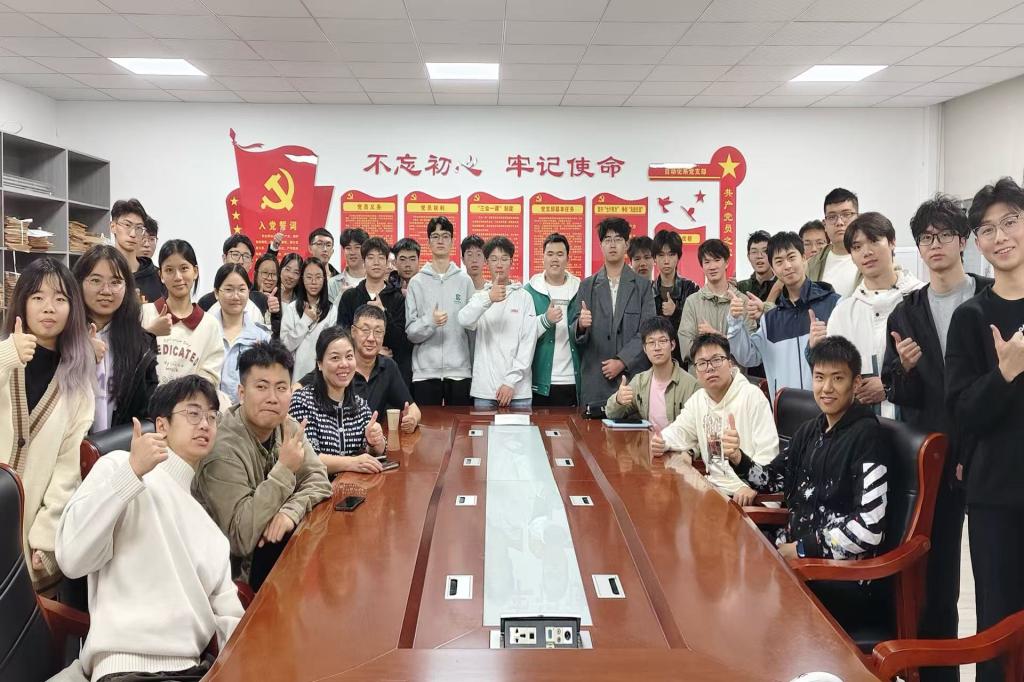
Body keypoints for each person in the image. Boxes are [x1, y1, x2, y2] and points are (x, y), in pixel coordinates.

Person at [53, 376, 243, 682]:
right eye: (193, 413)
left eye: (212, 416)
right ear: (162, 426)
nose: (205, 424)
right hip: (125, 668)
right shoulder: (119, 466)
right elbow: (72, 557)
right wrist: (132, 473)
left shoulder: (209, 529)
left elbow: (233, 620)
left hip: (193, 671)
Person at [881, 194, 992, 682]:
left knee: (996, 573)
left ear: (963, 241)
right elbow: (899, 392)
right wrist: (903, 370)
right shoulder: (905, 313)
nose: (936, 245)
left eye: (946, 235)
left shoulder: (991, 297)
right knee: (938, 572)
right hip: (934, 454)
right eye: (927, 238)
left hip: (988, 450)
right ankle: (939, 675)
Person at [945, 177, 1024, 682]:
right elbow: (962, 412)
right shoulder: (971, 317)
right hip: (997, 495)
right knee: (998, 627)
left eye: (1010, 222)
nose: (1001, 236)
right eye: (988, 229)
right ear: (977, 242)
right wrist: (1006, 373)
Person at [725, 336, 889, 561]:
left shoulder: (868, 436)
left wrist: (802, 549)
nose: (827, 388)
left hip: (835, 568)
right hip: (792, 549)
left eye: (838, 378)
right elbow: (772, 480)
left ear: (856, 382)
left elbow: (870, 527)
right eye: (819, 377)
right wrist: (737, 458)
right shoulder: (809, 430)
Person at [194, 341, 332, 591]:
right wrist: (285, 470)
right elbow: (241, 538)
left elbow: (319, 480)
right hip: (229, 582)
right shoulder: (221, 448)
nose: (272, 398)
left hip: (273, 559)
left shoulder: (287, 426)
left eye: (281, 388)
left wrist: (289, 512)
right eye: (261, 387)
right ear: (241, 393)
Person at [0, 258, 94, 591]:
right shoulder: (4, 357)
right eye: (37, 297)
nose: (48, 307)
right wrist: (8, 354)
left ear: (72, 308)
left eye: (60, 298)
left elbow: (67, 469)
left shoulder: (78, 384)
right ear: (22, 303)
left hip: (27, 537)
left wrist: (46, 535)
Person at [650, 333, 777, 505]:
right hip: (715, 491)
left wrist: (752, 485)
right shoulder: (699, 400)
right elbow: (680, 430)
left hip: (751, 497)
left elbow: (768, 453)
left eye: (716, 360)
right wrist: (662, 441)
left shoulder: (752, 396)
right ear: (696, 371)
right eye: (702, 363)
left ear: (730, 363)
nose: (709, 368)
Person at [818, 213, 924, 417]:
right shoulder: (843, 313)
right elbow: (835, 377)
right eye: (857, 247)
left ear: (892, 242)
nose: (866, 252)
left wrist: (889, 385)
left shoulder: (921, 298)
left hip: (918, 423)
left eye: (874, 241)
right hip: (864, 426)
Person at [728, 231, 840, 397]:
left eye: (791, 257)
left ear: (804, 258)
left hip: (827, 405)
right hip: (784, 408)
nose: (787, 266)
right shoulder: (770, 319)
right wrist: (735, 322)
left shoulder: (833, 304)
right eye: (779, 261)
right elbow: (749, 357)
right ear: (773, 268)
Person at [571, 217, 657, 412]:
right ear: (601, 245)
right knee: (591, 431)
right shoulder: (587, 286)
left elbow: (648, 332)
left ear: (626, 245)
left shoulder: (643, 287)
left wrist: (622, 361)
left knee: (633, 430)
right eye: (607, 240)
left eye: (618, 239)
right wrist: (580, 325)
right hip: (596, 380)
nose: (612, 244)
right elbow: (575, 332)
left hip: (632, 379)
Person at [72, 245, 159, 431]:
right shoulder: (63, 337)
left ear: (127, 287)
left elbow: (148, 409)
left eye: (115, 282)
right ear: (79, 283)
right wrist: (79, 353)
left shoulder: (142, 344)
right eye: (95, 280)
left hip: (120, 445)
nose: (106, 290)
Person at [295, 306, 422, 430]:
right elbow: (295, 390)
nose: (371, 338)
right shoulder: (342, 367)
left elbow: (413, 408)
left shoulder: (388, 366)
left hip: (373, 439)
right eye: (365, 330)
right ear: (353, 331)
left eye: (378, 332)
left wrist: (412, 419)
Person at [288, 326, 388, 477]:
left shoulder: (360, 405)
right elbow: (307, 458)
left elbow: (374, 452)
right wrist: (351, 463)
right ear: (320, 364)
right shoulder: (302, 401)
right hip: (316, 488)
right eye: (335, 358)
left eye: (349, 356)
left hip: (353, 486)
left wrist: (375, 442)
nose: (344, 364)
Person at [458, 236, 538, 408]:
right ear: (487, 262)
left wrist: (510, 382)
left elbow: (528, 343)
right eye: (494, 259)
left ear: (511, 262)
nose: (499, 264)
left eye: (504, 259)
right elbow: (464, 319)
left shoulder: (524, 297)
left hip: (518, 391)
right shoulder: (480, 296)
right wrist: (489, 298)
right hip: (485, 390)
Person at [405, 216, 475, 406]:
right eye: (435, 237)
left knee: (460, 424)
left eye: (445, 236)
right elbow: (411, 332)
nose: (440, 241)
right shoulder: (417, 282)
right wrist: (430, 322)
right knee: (427, 424)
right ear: (429, 242)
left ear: (452, 241)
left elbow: (472, 330)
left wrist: (472, 367)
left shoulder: (464, 281)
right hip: (425, 373)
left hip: (460, 372)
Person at [140, 240, 225, 388]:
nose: (178, 277)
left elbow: (209, 381)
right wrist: (149, 333)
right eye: (169, 270)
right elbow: (130, 363)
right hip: (146, 402)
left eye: (184, 268)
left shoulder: (210, 325)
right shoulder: (144, 314)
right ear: (161, 275)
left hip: (190, 402)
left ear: (195, 271)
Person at [337, 236, 410, 386]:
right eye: (371, 257)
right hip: (354, 374)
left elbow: (401, 342)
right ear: (364, 262)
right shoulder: (350, 297)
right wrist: (373, 352)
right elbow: (342, 335)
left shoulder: (398, 298)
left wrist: (384, 312)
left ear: (387, 263)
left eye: (381, 258)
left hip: (388, 374)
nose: (376, 262)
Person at [605, 317, 698, 433]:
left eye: (662, 341)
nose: (657, 348)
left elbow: (696, 429)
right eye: (651, 342)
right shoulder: (640, 381)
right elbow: (610, 413)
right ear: (644, 348)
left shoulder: (691, 385)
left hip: (678, 444)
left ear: (672, 345)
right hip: (647, 443)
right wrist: (618, 400)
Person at [678, 239, 752, 372]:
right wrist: (725, 344)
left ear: (727, 262)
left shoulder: (742, 301)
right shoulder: (692, 302)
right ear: (701, 266)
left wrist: (715, 335)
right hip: (700, 379)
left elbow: (750, 352)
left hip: (733, 379)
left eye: (717, 260)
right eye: (707, 262)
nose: (712, 266)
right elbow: (686, 348)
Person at [525, 232, 581, 407]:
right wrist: (545, 320)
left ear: (567, 258)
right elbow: (522, 334)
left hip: (572, 379)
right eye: (550, 254)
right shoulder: (529, 291)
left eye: (560, 254)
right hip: (539, 381)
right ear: (543, 258)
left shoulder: (581, 289)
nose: (555, 259)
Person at [213, 264, 271, 405]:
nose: (236, 296)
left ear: (248, 292)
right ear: (216, 293)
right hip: (211, 412)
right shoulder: (206, 332)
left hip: (248, 412)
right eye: (229, 289)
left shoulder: (262, 337)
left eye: (241, 289)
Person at [281, 257, 337, 380]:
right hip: (296, 376)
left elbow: (332, 347)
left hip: (324, 376)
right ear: (302, 279)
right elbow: (285, 347)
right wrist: (305, 320)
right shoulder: (292, 309)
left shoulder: (332, 310)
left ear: (324, 279)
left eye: (318, 277)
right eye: (309, 277)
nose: (313, 282)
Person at [652, 229, 699, 366]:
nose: (666, 261)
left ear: (678, 257)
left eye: (671, 254)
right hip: (654, 360)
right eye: (661, 255)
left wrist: (676, 312)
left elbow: (697, 326)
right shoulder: (648, 291)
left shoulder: (691, 288)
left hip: (684, 361)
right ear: (654, 258)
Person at [197, 235, 270, 318]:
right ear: (224, 258)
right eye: (235, 254)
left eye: (246, 256)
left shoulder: (260, 300)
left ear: (251, 263)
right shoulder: (206, 303)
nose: (240, 261)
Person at [806, 188, 862, 297]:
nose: (839, 222)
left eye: (846, 214)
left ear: (858, 219)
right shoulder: (811, 265)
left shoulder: (873, 258)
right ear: (825, 224)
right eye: (832, 217)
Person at [109, 198, 162, 304]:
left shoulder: (158, 276)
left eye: (139, 228)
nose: (133, 234)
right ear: (113, 227)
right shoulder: (103, 272)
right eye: (127, 225)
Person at [737, 230, 779, 302]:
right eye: (754, 252)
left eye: (765, 251)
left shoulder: (784, 285)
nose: (759, 256)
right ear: (748, 257)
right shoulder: (740, 288)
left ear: (773, 255)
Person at [333, 228, 368, 301]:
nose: (352, 252)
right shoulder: (333, 283)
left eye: (357, 247)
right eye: (348, 248)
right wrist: (341, 296)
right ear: (343, 251)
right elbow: (328, 309)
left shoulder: (376, 281)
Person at [253, 253, 282, 338]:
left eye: (274, 274)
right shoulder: (247, 297)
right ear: (255, 274)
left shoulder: (280, 301)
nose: (269, 278)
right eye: (265, 273)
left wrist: (275, 314)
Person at [307, 228, 340, 293]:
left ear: (332, 251)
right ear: (310, 248)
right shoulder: (300, 276)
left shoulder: (339, 280)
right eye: (319, 244)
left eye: (328, 245)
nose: (325, 249)